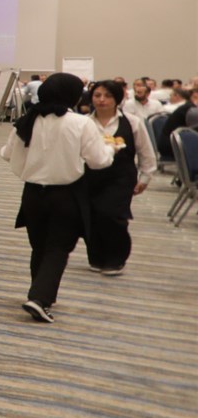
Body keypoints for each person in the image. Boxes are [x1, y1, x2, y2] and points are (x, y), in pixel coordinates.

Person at [2, 72, 114, 323]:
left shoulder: (27, 120)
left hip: (32, 194)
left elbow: (7, 154)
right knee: (58, 247)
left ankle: (39, 292)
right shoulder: (81, 123)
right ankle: (40, 298)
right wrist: (110, 149)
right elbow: (98, 161)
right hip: (65, 194)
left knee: (40, 246)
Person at [83, 80, 149, 276]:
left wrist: (145, 177)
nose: (102, 100)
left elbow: (145, 151)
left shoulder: (132, 122)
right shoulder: (84, 122)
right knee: (92, 217)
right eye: (97, 95)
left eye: (108, 96)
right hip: (89, 176)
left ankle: (117, 258)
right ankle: (96, 256)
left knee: (114, 216)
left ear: (117, 99)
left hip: (121, 177)